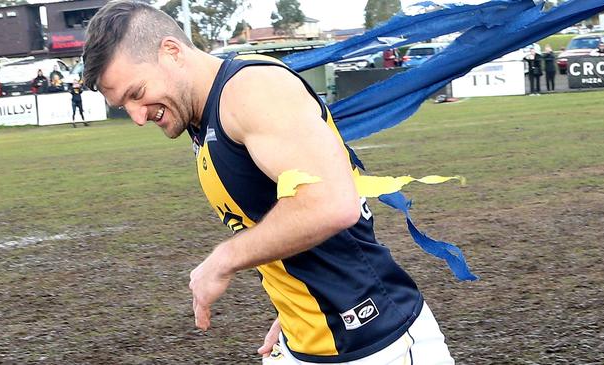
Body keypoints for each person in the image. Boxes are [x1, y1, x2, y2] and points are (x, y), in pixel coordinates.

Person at [83, 1, 455, 364]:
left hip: (376, 340)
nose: (136, 116)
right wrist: (298, 303)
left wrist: (223, 260)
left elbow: (331, 202)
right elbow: (279, 218)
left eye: (136, 94)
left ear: (171, 52)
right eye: (123, 106)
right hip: (309, 338)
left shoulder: (251, 90)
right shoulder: (203, 116)